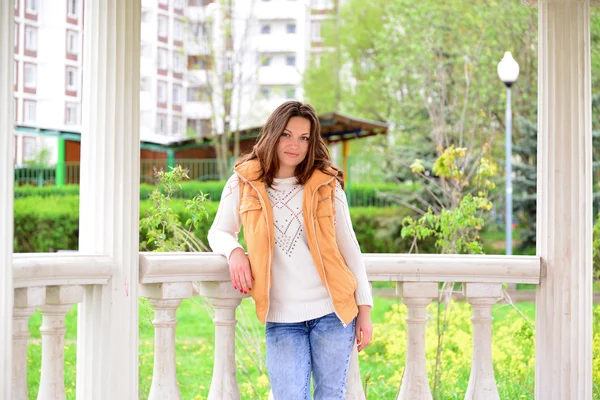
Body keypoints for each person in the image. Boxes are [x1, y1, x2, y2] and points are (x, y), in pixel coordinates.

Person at [207, 101, 373, 399]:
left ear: (312, 143)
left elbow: (350, 248)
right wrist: (234, 252)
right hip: (281, 317)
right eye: (287, 134)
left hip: (333, 312)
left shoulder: (327, 184)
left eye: (304, 137)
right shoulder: (243, 183)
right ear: (272, 134)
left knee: (330, 395)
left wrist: (365, 311)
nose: (294, 144)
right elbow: (219, 231)